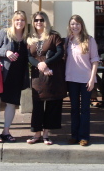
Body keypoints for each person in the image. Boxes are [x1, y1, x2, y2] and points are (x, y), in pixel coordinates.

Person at [0, 10, 29, 143]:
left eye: (22, 20)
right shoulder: (4, 33)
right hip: (1, 74)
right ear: (13, 21)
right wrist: (6, 52)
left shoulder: (27, 37)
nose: (19, 22)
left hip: (16, 75)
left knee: (11, 104)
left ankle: (6, 131)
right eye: (17, 20)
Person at [26, 11, 66, 145]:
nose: (39, 22)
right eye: (36, 20)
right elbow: (29, 56)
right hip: (38, 76)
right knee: (37, 105)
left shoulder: (54, 36)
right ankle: (36, 134)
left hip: (52, 75)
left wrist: (46, 63)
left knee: (51, 104)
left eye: (41, 20)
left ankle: (46, 134)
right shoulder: (30, 38)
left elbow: (60, 53)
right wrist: (39, 64)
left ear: (46, 21)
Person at [65, 14, 99, 147]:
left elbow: (95, 60)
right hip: (71, 79)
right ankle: (74, 135)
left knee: (85, 109)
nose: (75, 26)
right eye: (73, 24)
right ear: (69, 26)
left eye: (77, 24)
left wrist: (92, 79)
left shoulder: (90, 40)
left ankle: (84, 137)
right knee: (74, 109)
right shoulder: (68, 40)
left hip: (85, 79)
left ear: (82, 25)